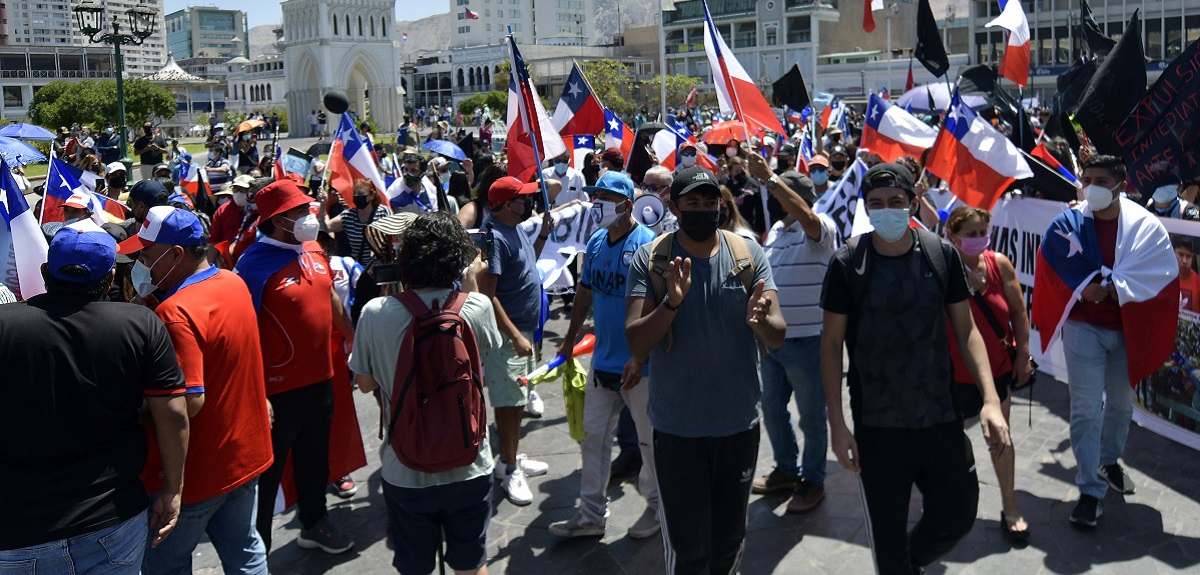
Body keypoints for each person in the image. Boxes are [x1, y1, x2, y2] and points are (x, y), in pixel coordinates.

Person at [820, 163, 1010, 575]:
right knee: (887, 546)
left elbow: (967, 330)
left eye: (896, 202)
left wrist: (991, 401)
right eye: (876, 204)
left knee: (957, 516)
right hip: (878, 427)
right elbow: (832, 345)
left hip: (940, 417)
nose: (886, 210)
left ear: (914, 203)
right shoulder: (848, 263)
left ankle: (911, 562)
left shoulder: (940, 254)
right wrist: (837, 423)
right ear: (866, 208)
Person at [0, 222, 189, 571]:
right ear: (110, 278)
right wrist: (173, 490)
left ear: (46, 272)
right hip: (113, 520)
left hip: (18, 531)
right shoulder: (141, 323)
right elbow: (174, 412)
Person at [625, 165, 786, 574]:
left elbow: (778, 336)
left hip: (738, 427)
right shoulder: (652, 258)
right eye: (691, 202)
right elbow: (638, 341)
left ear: (720, 204)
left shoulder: (748, 254)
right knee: (688, 547)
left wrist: (761, 320)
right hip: (678, 432)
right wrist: (671, 304)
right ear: (674, 206)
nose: (702, 209)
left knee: (729, 541)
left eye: (709, 201)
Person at [118, 207, 273, 575]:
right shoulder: (232, 282)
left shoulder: (175, 313)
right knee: (246, 553)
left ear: (175, 254)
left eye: (146, 255)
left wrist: (127, 409)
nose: (141, 264)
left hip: (196, 475)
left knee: (164, 566)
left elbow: (187, 402)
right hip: (244, 456)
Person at [351, 212, 500, 575]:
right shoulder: (476, 306)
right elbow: (489, 352)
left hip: (405, 468)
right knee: (471, 563)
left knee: (414, 566)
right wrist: (470, 284)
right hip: (470, 465)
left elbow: (367, 383)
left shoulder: (375, 312)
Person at [1034, 155, 1178, 529]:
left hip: (1128, 330)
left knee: (1119, 404)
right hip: (1085, 331)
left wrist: (1116, 289)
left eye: (1100, 179)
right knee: (1085, 408)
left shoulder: (1145, 227)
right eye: (1087, 178)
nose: (1091, 186)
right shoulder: (1069, 223)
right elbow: (1054, 263)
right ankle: (1089, 491)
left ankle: (1109, 459)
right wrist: (1086, 290)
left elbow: (1159, 271)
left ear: (1120, 185)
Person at [234, 180, 353, 554]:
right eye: (299, 212)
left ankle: (314, 523)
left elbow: (330, 294)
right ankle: (257, 551)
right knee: (266, 476)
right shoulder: (252, 265)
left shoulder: (313, 249)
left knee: (315, 460)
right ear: (276, 220)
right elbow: (243, 331)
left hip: (320, 381)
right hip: (276, 392)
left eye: (307, 209)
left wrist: (354, 338)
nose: (308, 216)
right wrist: (256, 391)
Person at [551, 171, 661, 540]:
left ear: (627, 205)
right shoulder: (596, 240)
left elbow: (659, 306)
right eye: (595, 195)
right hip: (602, 363)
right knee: (594, 439)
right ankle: (590, 514)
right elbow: (584, 293)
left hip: (639, 367)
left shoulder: (650, 244)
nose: (597, 203)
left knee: (649, 443)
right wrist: (569, 340)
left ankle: (658, 508)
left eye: (605, 197)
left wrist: (642, 354)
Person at [744, 154, 839, 514]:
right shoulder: (778, 233)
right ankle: (786, 469)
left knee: (812, 417)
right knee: (771, 410)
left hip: (809, 343)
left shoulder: (820, 227)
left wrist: (769, 178)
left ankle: (813, 480)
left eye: (781, 194)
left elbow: (805, 214)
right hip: (772, 344)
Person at [944, 206, 1034, 542]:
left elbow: (1018, 315)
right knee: (947, 444)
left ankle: (1010, 506)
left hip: (995, 373)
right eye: (971, 234)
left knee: (1000, 440)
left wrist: (1023, 355)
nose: (979, 239)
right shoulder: (941, 267)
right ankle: (948, 506)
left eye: (983, 231)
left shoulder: (1000, 264)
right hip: (951, 375)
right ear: (953, 236)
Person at [475, 176, 554, 506]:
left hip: (523, 331)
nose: (529, 202)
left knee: (517, 401)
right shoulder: (494, 237)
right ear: (508, 205)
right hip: (511, 337)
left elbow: (526, 265)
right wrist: (516, 336)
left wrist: (544, 236)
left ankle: (511, 457)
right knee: (508, 405)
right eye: (523, 198)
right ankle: (508, 469)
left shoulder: (514, 227)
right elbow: (488, 295)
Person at [328, 178, 389, 268]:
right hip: (360, 269)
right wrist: (324, 206)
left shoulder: (383, 212)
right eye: (354, 193)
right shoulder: (348, 216)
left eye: (360, 194)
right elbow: (325, 227)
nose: (356, 196)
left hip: (381, 268)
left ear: (371, 195)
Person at [1174, 236, 1200, 313]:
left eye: (1188, 256)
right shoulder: (1164, 279)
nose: (1184, 261)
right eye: (1181, 255)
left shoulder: (1198, 283)